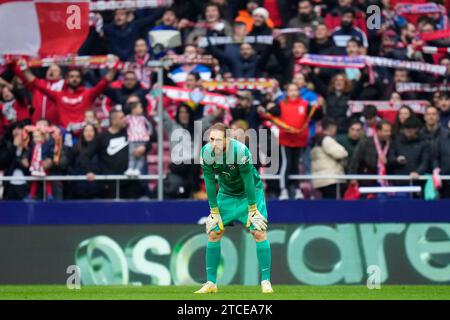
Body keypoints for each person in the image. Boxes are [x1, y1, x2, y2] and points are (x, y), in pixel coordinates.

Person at [196, 122, 273, 294]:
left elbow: (248, 180)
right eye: (211, 139)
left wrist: (253, 208)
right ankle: (211, 283)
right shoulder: (206, 152)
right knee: (213, 232)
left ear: (227, 139)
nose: (213, 143)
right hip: (227, 194)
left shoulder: (240, 151)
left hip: (250, 193)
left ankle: (266, 281)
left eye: (217, 140)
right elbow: (209, 182)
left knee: (258, 231)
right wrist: (213, 211)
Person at [15, 58, 119, 130]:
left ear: (81, 79)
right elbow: (36, 83)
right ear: (66, 80)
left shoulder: (88, 94)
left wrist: (114, 67)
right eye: (72, 77)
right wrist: (24, 68)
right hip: (64, 134)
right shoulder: (58, 96)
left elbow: (104, 83)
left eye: (77, 77)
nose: (74, 79)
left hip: (84, 134)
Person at [267, 83, 309, 200]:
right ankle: (283, 189)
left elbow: (317, 114)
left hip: (299, 140)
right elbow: (270, 113)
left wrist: (319, 106)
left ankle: (297, 189)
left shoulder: (305, 105)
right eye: (291, 90)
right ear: (287, 93)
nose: (293, 93)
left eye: (295, 90)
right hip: (286, 140)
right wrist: (267, 107)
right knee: (286, 163)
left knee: (296, 165)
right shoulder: (281, 105)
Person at [349, 121, 397, 188]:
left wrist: (388, 162)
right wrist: (352, 177)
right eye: (386, 131)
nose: (389, 133)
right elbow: (355, 160)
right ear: (378, 131)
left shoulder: (391, 143)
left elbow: (393, 160)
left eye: (390, 131)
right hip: (367, 180)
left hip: (386, 180)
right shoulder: (365, 142)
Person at [311, 118, 348, 199]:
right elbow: (341, 153)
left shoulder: (316, 140)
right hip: (331, 179)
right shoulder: (327, 140)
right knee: (334, 207)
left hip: (320, 180)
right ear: (332, 127)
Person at [391, 117, 429, 188]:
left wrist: (418, 172)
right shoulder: (397, 141)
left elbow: (425, 162)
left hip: (417, 182)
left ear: (417, 129)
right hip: (399, 181)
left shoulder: (424, 143)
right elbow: (390, 157)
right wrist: (396, 160)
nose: (408, 131)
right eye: (406, 128)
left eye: (411, 129)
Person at [124, 101, 152, 177]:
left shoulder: (143, 118)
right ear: (134, 109)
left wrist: (149, 133)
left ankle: (137, 169)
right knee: (132, 155)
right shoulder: (128, 118)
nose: (141, 109)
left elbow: (149, 125)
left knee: (141, 157)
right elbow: (123, 124)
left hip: (142, 139)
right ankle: (130, 168)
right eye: (140, 108)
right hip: (132, 139)